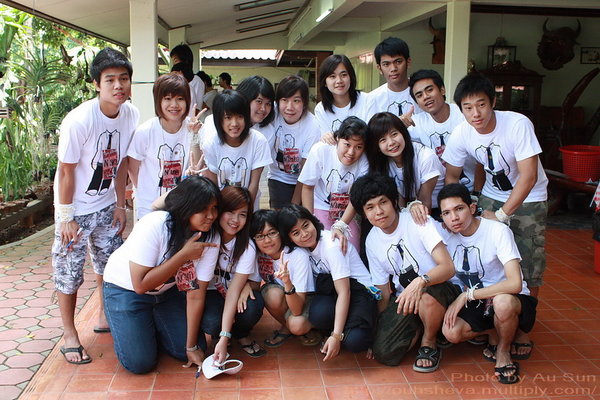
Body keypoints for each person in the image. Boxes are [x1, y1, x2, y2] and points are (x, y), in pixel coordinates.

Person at [51, 48, 139, 364]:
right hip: (75, 210)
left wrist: (120, 205)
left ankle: (105, 315)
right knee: (69, 271)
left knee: (108, 264)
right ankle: (69, 334)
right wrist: (66, 217)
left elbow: (123, 161)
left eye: (124, 79)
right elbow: (65, 170)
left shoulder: (130, 114)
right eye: (110, 80)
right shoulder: (79, 120)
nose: (118, 86)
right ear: (96, 84)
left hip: (106, 206)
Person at [442, 73, 548, 300]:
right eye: (468, 107)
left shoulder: (517, 124)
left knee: (528, 262)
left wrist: (502, 215)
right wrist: (460, 206)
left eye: (481, 105)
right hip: (491, 196)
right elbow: (451, 176)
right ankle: (493, 311)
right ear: (461, 110)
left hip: (530, 198)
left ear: (493, 102)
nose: (475, 113)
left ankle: (526, 317)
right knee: (488, 257)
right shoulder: (462, 132)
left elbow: (529, 177)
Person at [102, 176, 221, 373]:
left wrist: (190, 346)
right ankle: (130, 323)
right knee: (140, 363)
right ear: (187, 206)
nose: (211, 216)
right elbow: (140, 285)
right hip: (125, 290)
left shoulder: (210, 236)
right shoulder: (156, 224)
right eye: (203, 209)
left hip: (166, 293)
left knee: (191, 348)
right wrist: (183, 255)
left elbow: (196, 293)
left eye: (214, 208)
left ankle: (151, 322)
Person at [349, 174, 458, 371]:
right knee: (384, 352)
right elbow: (383, 291)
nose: (379, 212)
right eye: (370, 207)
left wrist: (421, 282)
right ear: (364, 213)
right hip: (406, 297)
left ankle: (429, 342)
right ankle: (423, 324)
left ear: (393, 201)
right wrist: (380, 329)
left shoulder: (418, 221)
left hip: (440, 288)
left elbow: (448, 268)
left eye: (383, 202)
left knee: (426, 297)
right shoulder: (372, 240)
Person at [439, 183, 538, 384]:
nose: (454, 218)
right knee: (451, 332)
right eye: (446, 213)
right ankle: (494, 330)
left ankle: (503, 350)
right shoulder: (446, 237)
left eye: (459, 209)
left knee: (502, 303)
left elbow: (514, 283)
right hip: (479, 301)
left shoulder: (497, 230)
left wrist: (467, 295)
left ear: (472, 208)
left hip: (510, 298)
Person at [279, 204, 376, 361]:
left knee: (355, 341)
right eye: (296, 233)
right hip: (333, 290)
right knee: (319, 314)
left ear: (313, 221)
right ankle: (339, 329)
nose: (304, 234)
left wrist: (336, 335)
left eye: (306, 225)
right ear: (289, 238)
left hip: (360, 292)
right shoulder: (301, 249)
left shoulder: (331, 245)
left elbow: (345, 292)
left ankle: (364, 333)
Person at [203, 186, 266, 363]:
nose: (235, 220)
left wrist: (225, 336)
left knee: (252, 306)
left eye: (242, 214)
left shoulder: (247, 246)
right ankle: (219, 332)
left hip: (233, 293)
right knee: (211, 322)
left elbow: (233, 292)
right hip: (210, 293)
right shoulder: (207, 237)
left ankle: (239, 333)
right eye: (230, 212)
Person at [128, 73, 200, 220]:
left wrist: (194, 135)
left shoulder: (193, 128)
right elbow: (132, 168)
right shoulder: (145, 131)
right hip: (149, 207)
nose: (174, 105)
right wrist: (143, 191)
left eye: (180, 99)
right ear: (158, 101)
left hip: (183, 207)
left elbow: (197, 165)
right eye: (167, 98)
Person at [249, 209, 318, 347]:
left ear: (281, 232)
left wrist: (287, 282)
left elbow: (297, 308)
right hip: (286, 295)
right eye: (260, 236)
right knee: (271, 294)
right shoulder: (258, 254)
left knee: (297, 324)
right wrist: (246, 286)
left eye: (272, 233)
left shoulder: (297, 255)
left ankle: (313, 328)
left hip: (308, 297)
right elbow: (255, 284)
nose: (267, 240)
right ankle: (288, 328)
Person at [299, 116, 369, 251]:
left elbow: (356, 196)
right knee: (323, 245)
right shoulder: (320, 150)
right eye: (347, 145)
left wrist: (341, 225)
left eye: (358, 147)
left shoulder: (364, 160)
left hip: (349, 208)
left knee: (350, 248)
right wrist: (310, 220)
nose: (351, 152)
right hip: (321, 205)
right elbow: (307, 187)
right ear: (337, 139)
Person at [407, 69, 481, 194]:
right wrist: (400, 125)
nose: (426, 97)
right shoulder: (416, 123)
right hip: (435, 192)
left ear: (442, 90)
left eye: (429, 90)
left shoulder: (464, 114)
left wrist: (477, 193)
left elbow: (481, 158)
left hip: (471, 189)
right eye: (419, 95)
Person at [201, 90, 272, 207]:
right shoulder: (211, 144)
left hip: (249, 206)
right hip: (221, 208)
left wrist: (245, 212)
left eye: (240, 117)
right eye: (228, 117)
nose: (234, 123)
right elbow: (213, 186)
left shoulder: (258, 141)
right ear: (219, 119)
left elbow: (253, 184)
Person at [366, 112, 444, 216]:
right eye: (383, 140)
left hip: (437, 210)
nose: (391, 142)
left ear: (403, 133)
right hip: (410, 208)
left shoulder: (426, 157)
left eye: (394, 134)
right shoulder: (382, 163)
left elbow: (425, 205)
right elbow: (399, 204)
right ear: (377, 147)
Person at [265, 75, 320, 208]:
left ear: (304, 103)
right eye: (284, 100)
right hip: (277, 176)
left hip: (304, 180)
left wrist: (294, 204)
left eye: (296, 101)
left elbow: (305, 172)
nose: (289, 107)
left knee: (297, 215)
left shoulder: (312, 125)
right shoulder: (272, 112)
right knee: (279, 216)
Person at [365, 37, 421, 122]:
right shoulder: (373, 98)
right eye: (386, 64)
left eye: (398, 62)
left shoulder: (422, 92)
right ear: (379, 68)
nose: (393, 68)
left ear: (408, 62)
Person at [314, 54, 368, 137]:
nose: (339, 81)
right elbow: (327, 141)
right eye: (332, 76)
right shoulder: (321, 109)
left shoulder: (366, 100)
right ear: (324, 82)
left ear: (351, 77)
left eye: (344, 75)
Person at [170, 44, 204, 115]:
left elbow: (197, 108)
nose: (174, 64)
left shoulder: (197, 81)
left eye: (175, 60)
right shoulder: (171, 81)